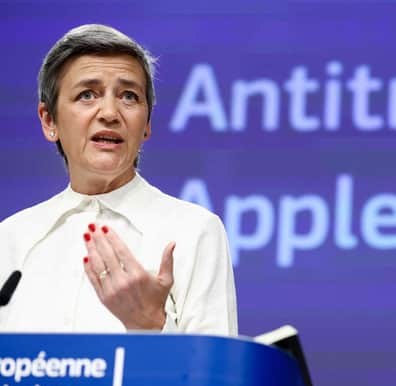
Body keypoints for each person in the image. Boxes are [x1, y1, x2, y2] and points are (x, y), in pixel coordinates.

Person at [0, 24, 237, 335]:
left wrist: (151, 326)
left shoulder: (193, 232)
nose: (110, 112)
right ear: (49, 121)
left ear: (147, 124)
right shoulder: (10, 239)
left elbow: (213, 379)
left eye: (129, 96)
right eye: (87, 95)